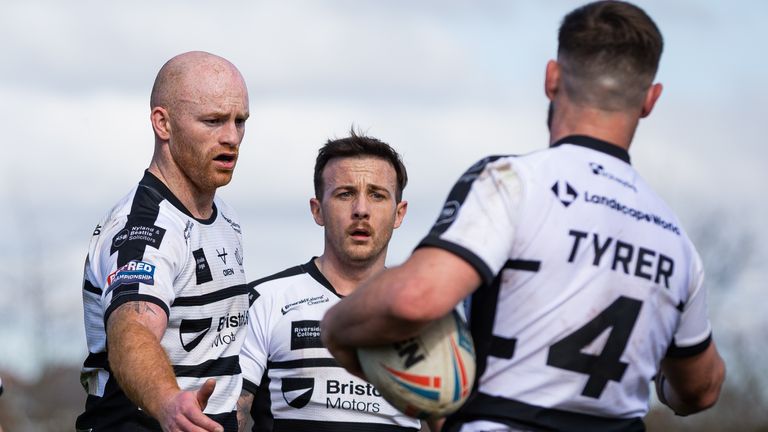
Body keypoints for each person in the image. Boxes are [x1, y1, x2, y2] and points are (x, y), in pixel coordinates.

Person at [321, 2, 726, 431]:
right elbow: (701, 389)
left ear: (552, 78)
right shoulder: (675, 241)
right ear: (650, 100)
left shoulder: (513, 183)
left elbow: (414, 298)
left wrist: (337, 328)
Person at [76, 51, 251, 432]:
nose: (231, 137)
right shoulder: (145, 229)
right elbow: (131, 329)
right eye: (213, 121)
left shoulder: (228, 219)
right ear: (163, 124)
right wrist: (167, 401)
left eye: (240, 121)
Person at [237, 132, 425, 431]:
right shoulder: (265, 300)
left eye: (377, 195)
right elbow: (230, 413)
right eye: (345, 194)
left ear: (398, 213)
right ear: (317, 209)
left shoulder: (427, 312)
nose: (361, 210)